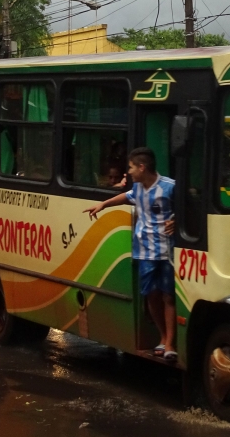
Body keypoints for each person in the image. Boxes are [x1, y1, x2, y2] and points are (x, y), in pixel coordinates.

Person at [84, 148, 177, 360]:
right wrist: (103, 205)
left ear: (142, 167)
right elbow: (125, 197)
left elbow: (189, 208)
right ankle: (162, 337)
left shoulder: (170, 187)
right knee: (151, 296)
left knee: (168, 296)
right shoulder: (138, 188)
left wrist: (178, 221)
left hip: (167, 252)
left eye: (132, 167)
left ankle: (170, 343)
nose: (130, 171)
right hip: (145, 251)